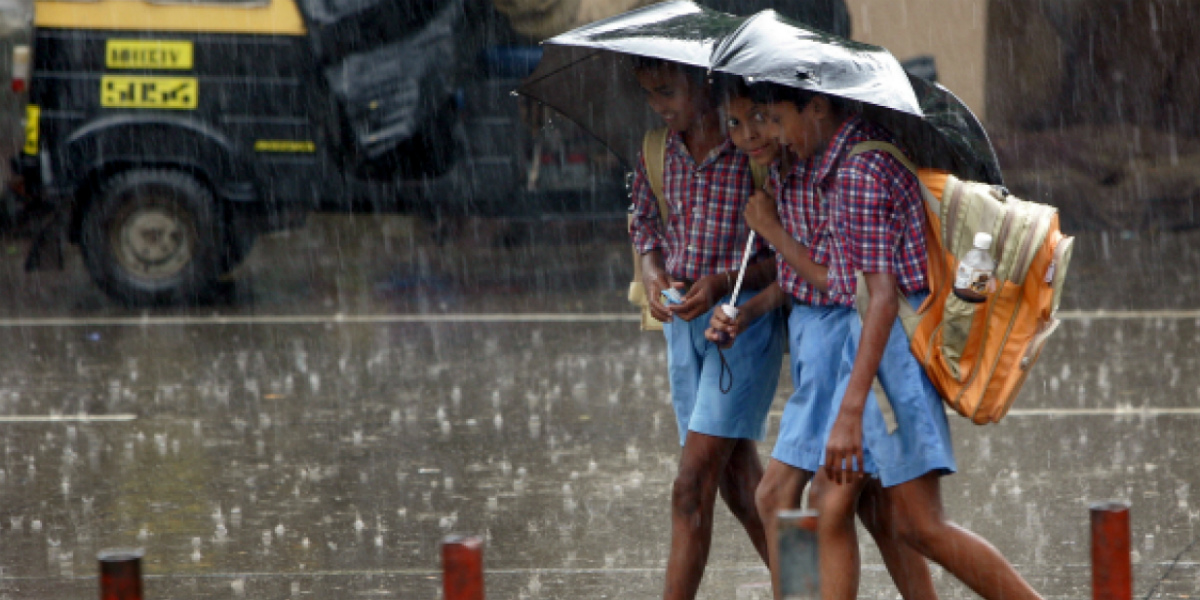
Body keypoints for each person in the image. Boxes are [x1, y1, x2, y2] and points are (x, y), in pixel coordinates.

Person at [745, 81, 1046, 600]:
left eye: (776, 119)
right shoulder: (837, 164)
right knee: (832, 505)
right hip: (867, 359)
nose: (772, 134)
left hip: (890, 368)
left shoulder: (858, 173)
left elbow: (877, 299)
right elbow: (852, 286)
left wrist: (848, 412)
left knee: (915, 524)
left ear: (816, 107)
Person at [706, 79, 938, 600]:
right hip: (817, 346)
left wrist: (772, 232)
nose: (755, 134)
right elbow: (795, 284)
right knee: (871, 506)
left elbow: (837, 283)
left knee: (789, 496)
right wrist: (747, 312)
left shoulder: (841, 167)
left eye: (766, 118)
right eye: (740, 123)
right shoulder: (794, 165)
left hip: (844, 346)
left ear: (809, 108)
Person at [627, 57, 785, 600]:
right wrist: (652, 274)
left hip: (739, 330)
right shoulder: (657, 149)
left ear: (703, 83)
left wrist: (721, 284)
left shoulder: (752, 153)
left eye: (669, 91)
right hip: (684, 329)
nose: (661, 106)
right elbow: (644, 223)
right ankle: (809, 586)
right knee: (742, 485)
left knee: (690, 486)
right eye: (650, 95)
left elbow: (786, 257)